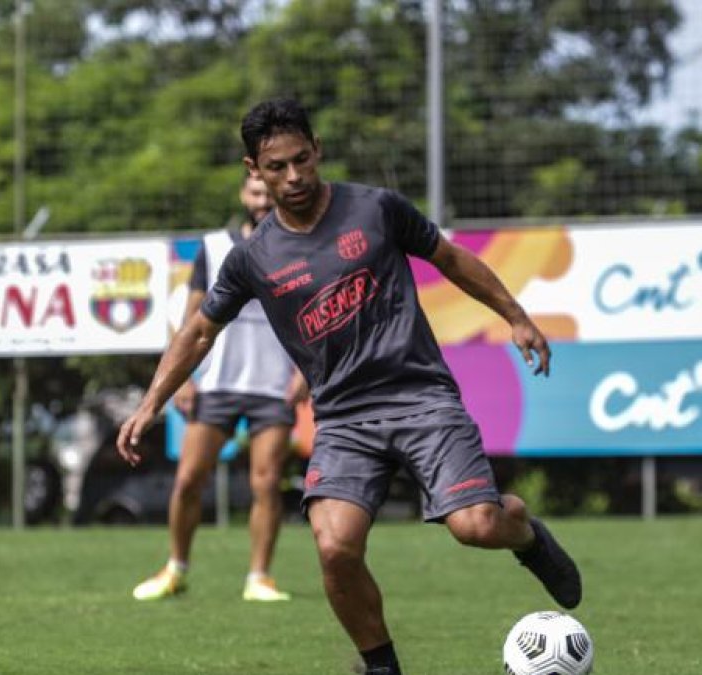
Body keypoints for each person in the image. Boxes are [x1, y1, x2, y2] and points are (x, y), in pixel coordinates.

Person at [116, 98, 582, 675]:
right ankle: (381, 667)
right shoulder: (251, 258)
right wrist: (150, 403)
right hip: (342, 419)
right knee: (334, 547)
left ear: (318, 151)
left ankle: (528, 537)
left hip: (421, 397)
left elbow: (453, 260)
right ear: (252, 170)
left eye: (301, 160)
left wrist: (515, 314)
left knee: (477, 526)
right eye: (277, 167)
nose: (293, 177)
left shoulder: (377, 209)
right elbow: (199, 331)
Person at [132, 174, 308, 603]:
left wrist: (304, 374)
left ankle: (259, 578)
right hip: (217, 382)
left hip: (273, 386)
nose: (263, 200)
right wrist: (182, 377)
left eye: (269, 193)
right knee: (189, 480)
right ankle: (176, 568)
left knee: (266, 484)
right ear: (243, 196)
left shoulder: (302, 247)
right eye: (255, 192)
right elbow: (190, 319)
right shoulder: (213, 248)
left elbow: (312, 314)